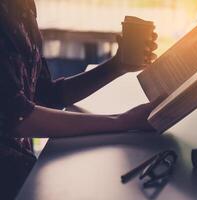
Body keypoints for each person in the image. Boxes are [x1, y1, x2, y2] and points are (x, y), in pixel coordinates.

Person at [0, 0, 158, 198]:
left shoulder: (23, 8)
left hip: (22, 174)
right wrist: (123, 121)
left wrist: (117, 65)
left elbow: (44, 95)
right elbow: (18, 118)